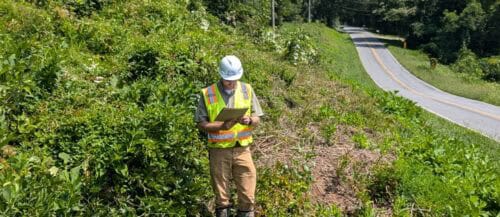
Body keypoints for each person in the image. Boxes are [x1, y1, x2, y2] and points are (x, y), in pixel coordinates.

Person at [195, 55, 264, 217]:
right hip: (219, 151)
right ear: (221, 75)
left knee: (248, 194)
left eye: (234, 79)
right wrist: (222, 126)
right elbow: (201, 124)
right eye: (228, 80)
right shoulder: (208, 93)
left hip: (242, 149)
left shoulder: (247, 89)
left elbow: (257, 118)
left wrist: (249, 120)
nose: (231, 83)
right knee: (222, 196)